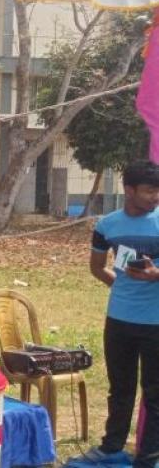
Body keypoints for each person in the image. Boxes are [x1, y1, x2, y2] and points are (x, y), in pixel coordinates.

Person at [75, 160, 159, 468]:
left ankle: (148, 458)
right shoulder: (107, 225)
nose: (155, 197)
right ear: (129, 190)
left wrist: (155, 276)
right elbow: (97, 267)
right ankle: (111, 448)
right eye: (149, 190)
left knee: (155, 393)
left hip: (156, 323)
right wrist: (122, 287)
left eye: (158, 191)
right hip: (119, 321)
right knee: (120, 388)